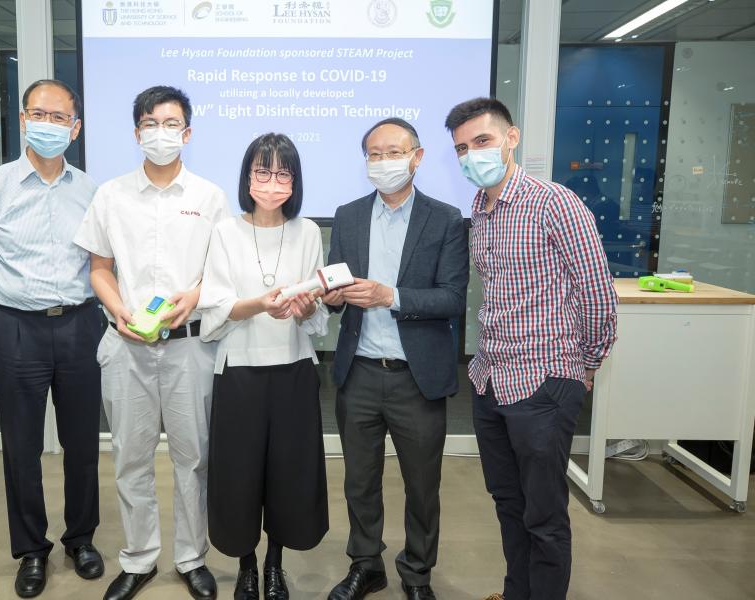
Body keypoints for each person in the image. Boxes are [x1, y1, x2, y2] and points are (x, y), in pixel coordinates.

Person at [444, 97, 618, 600]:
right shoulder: (479, 210)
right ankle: (516, 591)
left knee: (543, 514)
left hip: (544, 380)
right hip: (490, 378)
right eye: (461, 148)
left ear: (510, 138)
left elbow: (598, 294)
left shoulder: (555, 203)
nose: (472, 154)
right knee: (508, 502)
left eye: (482, 141)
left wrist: (583, 367)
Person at [73, 85, 228, 600]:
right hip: (126, 347)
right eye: (150, 123)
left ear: (187, 132)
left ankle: (190, 556)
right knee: (130, 458)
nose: (160, 132)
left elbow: (222, 273)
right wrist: (116, 307)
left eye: (171, 123)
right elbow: (99, 267)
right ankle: (138, 559)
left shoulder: (209, 196)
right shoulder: (111, 195)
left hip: (190, 346)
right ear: (137, 130)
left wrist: (196, 295)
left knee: (194, 458)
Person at [0, 79, 105, 598]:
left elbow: (105, 263)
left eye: (59, 117)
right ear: (22, 120)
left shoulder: (91, 191)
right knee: (20, 447)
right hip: (15, 327)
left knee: (82, 443)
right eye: (38, 114)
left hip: (82, 324)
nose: (48, 124)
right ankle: (31, 550)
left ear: (75, 128)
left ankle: (80, 539)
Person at [323, 118, 469, 600]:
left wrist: (391, 295)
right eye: (374, 154)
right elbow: (336, 286)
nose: (383, 162)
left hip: (416, 377)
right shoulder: (346, 216)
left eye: (393, 152)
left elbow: (452, 298)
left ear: (418, 157)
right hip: (358, 371)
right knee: (359, 481)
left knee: (422, 486)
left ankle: (417, 574)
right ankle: (366, 565)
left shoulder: (446, 219)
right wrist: (333, 298)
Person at [198, 133, 330, 600]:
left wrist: (305, 309)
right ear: (247, 177)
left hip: (293, 369)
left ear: (294, 181)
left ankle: (275, 563)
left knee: (288, 473)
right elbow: (213, 309)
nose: (271, 182)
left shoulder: (309, 231)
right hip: (240, 372)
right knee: (239, 474)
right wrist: (257, 304)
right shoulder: (224, 232)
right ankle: (246, 565)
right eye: (262, 171)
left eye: (282, 173)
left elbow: (318, 312)